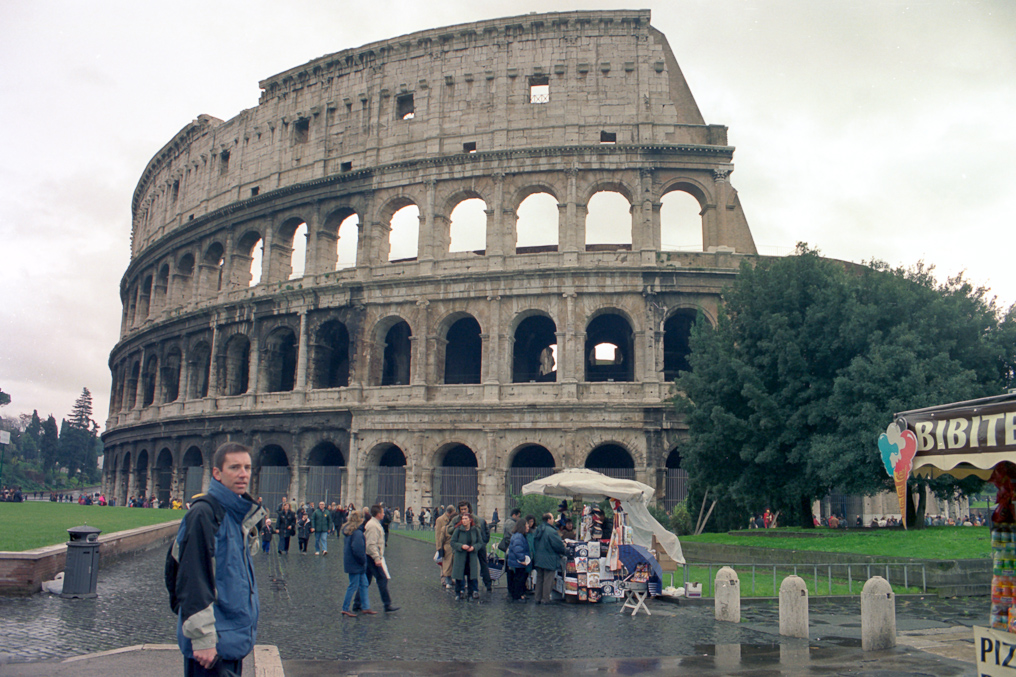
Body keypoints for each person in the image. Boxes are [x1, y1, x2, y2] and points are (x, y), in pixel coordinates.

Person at [171, 442, 266, 676]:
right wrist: (203, 640)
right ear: (217, 473)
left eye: (247, 467)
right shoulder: (204, 514)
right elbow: (192, 579)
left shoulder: (234, 515)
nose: (243, 474)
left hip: (229, 642)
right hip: (210, 650)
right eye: (234, 467)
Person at [445, 501, 492, 593]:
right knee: (462, 567)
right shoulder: (456, 519)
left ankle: (485, 585)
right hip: (463, 547)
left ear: (469, 509)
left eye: (465, 509)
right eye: (461, 509)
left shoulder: (475, 518)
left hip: (476, 545)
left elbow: (480, 531)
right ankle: (462, 588)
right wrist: (457, 527)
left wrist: (481, 543)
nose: (463, 511)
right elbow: (449, 530)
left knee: (479, 565)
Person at [363, 504, 399, 612]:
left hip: (371, 556)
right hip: (372, 557)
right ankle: (387, 604)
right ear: (378, 514)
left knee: (366, 581)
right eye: (383, 512)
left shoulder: (374, 524)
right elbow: (371, 544)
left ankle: (357, 603)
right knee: (382, 578)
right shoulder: (373, 526)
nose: (384, 514)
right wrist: (377, 558)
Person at [341, 511, 374, 617]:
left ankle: (365, 607)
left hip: (352, 563)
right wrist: (363, 561)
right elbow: (358, 549)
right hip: (356, 564)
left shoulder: (351, 531)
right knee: (353, 586)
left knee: (364, 584)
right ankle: (345, 608)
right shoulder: (357, 533)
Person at [532, 512, 567, 604]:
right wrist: (565, 550)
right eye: (552, 518)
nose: (553, 520)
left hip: (539, 558)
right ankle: (545, 599)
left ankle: (537, 598)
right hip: (549, 559)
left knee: (539, 579)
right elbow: (558, 545)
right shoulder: (551, 531)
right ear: (548, 520)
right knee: (548, 580)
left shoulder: (538, 529)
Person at [450, 513, 484, 600]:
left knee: (471, 575)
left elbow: (480, 543)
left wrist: (474, 547)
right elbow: (453, 542)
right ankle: (458, 593)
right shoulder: (458, 530)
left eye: (466, 519)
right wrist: (461, 546)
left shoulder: (475, 530)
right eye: (463, 519)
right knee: (459, 576)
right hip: (461, 556)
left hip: (471, 556)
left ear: (470, 520)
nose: (464, 521)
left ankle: (470, 593)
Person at [505, 517, 531, 602]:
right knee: (518, 579)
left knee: (518, 579)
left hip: (516, 562)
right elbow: (518, 549)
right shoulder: (519, 536)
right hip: (518, 562)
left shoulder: (519, 535)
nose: (528, 527)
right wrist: (523, 559)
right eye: (527, 525)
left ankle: (519, 594)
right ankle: (517, 596)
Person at [434, 506, 456, 588]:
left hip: (451, 546)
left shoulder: (452, 519)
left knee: (450, 564)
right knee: (443, 563)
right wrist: (439, 547)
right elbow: (438, 535)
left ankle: (450, 579)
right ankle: (443, 579)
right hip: (444, 545)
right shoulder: (440, 520)